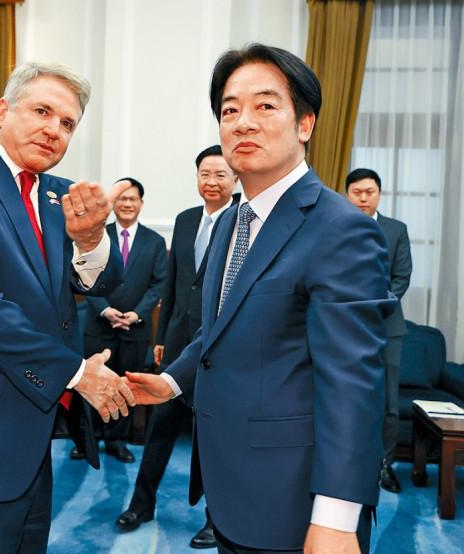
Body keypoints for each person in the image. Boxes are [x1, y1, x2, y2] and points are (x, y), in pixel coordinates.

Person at [124, 44, 396, 554]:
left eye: (265, 105)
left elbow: (353, 383)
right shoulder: (232, 220)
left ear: (305, 124)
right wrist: (171, 381)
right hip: (230, 488)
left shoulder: (341, 229)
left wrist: (337, 516)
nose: (243, 122)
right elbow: (221, 326)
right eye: (230, 110)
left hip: (296, 502)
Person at [0, 61, 135, 553]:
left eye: (67, 123)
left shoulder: (60, 195)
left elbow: (105, 283)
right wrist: (77, 373)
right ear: (3, 111)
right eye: (42, 111)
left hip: (35, 435)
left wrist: (91, 240)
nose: (54, 129)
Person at [115, 145, 238, 549]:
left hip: (218, 348)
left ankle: (216, 518)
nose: (211, 181)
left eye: (221, 174)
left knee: (212, 436)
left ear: (235, 178)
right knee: (160, 427)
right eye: (205, 173)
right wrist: (161, 339)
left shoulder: (243, 220)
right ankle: (141, 504)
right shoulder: (186, 220)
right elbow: (172, 285)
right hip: (177, 345)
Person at [76, 178, 167, 463]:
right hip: (99, 325)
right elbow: (83, 276)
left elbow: (159, 283)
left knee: (126, 385)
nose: (127, 203)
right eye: (122, 199)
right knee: (91, 383)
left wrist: (138, 313)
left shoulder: (155, 242)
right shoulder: (96, 236)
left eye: (133, 199)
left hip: (135, 328)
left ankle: (117, 441)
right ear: (114, 203)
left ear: (141, 203)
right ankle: (87, 439)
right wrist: (105, 309)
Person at [346, 168, 412, 494]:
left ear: (379, 194)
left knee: (388, 402)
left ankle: (384, 467)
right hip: (344, 324)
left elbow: (401, 278)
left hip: (387, 325)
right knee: (345, 395)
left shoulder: (396, 230)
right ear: (346, 194)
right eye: (356, 192)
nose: (363, 198)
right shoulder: (334, 227)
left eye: (369, 192)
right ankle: (347, 464)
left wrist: (373, 308)